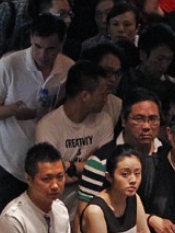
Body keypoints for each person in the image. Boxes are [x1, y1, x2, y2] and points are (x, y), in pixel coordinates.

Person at [0, 15, 73, 233]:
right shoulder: (10, 64)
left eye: (51, 49)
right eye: (38, 47)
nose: (43, 55)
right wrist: (13, 109)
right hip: (10, 161)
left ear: (61, 44)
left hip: (45, 166)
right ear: (31, 39)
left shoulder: (67, 69)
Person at [34, 61, 115, 213]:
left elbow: (107, 166)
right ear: (85, 96)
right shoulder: (49, 126)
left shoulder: (104, 120)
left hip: (92, 208)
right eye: (103, 94)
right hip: (54, 208)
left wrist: (69, 167)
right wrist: (90, 166)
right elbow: (50, 176)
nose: (107, 99)